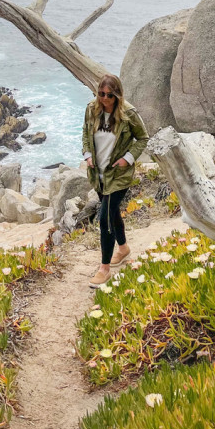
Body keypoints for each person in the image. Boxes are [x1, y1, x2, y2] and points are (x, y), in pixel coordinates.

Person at [82, 73, 148, 288]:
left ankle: (104, 269)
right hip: (98, 174)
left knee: (105, 219)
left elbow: (143, 138)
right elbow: (85, 133)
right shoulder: (92, 110)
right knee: (112, 213)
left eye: (109, 95)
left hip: (117, 175)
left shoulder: (128, 114)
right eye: (101, 94)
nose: (104, 98)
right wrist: (86, 154)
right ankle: (123, 248)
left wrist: (127, 159)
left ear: (117, 95)